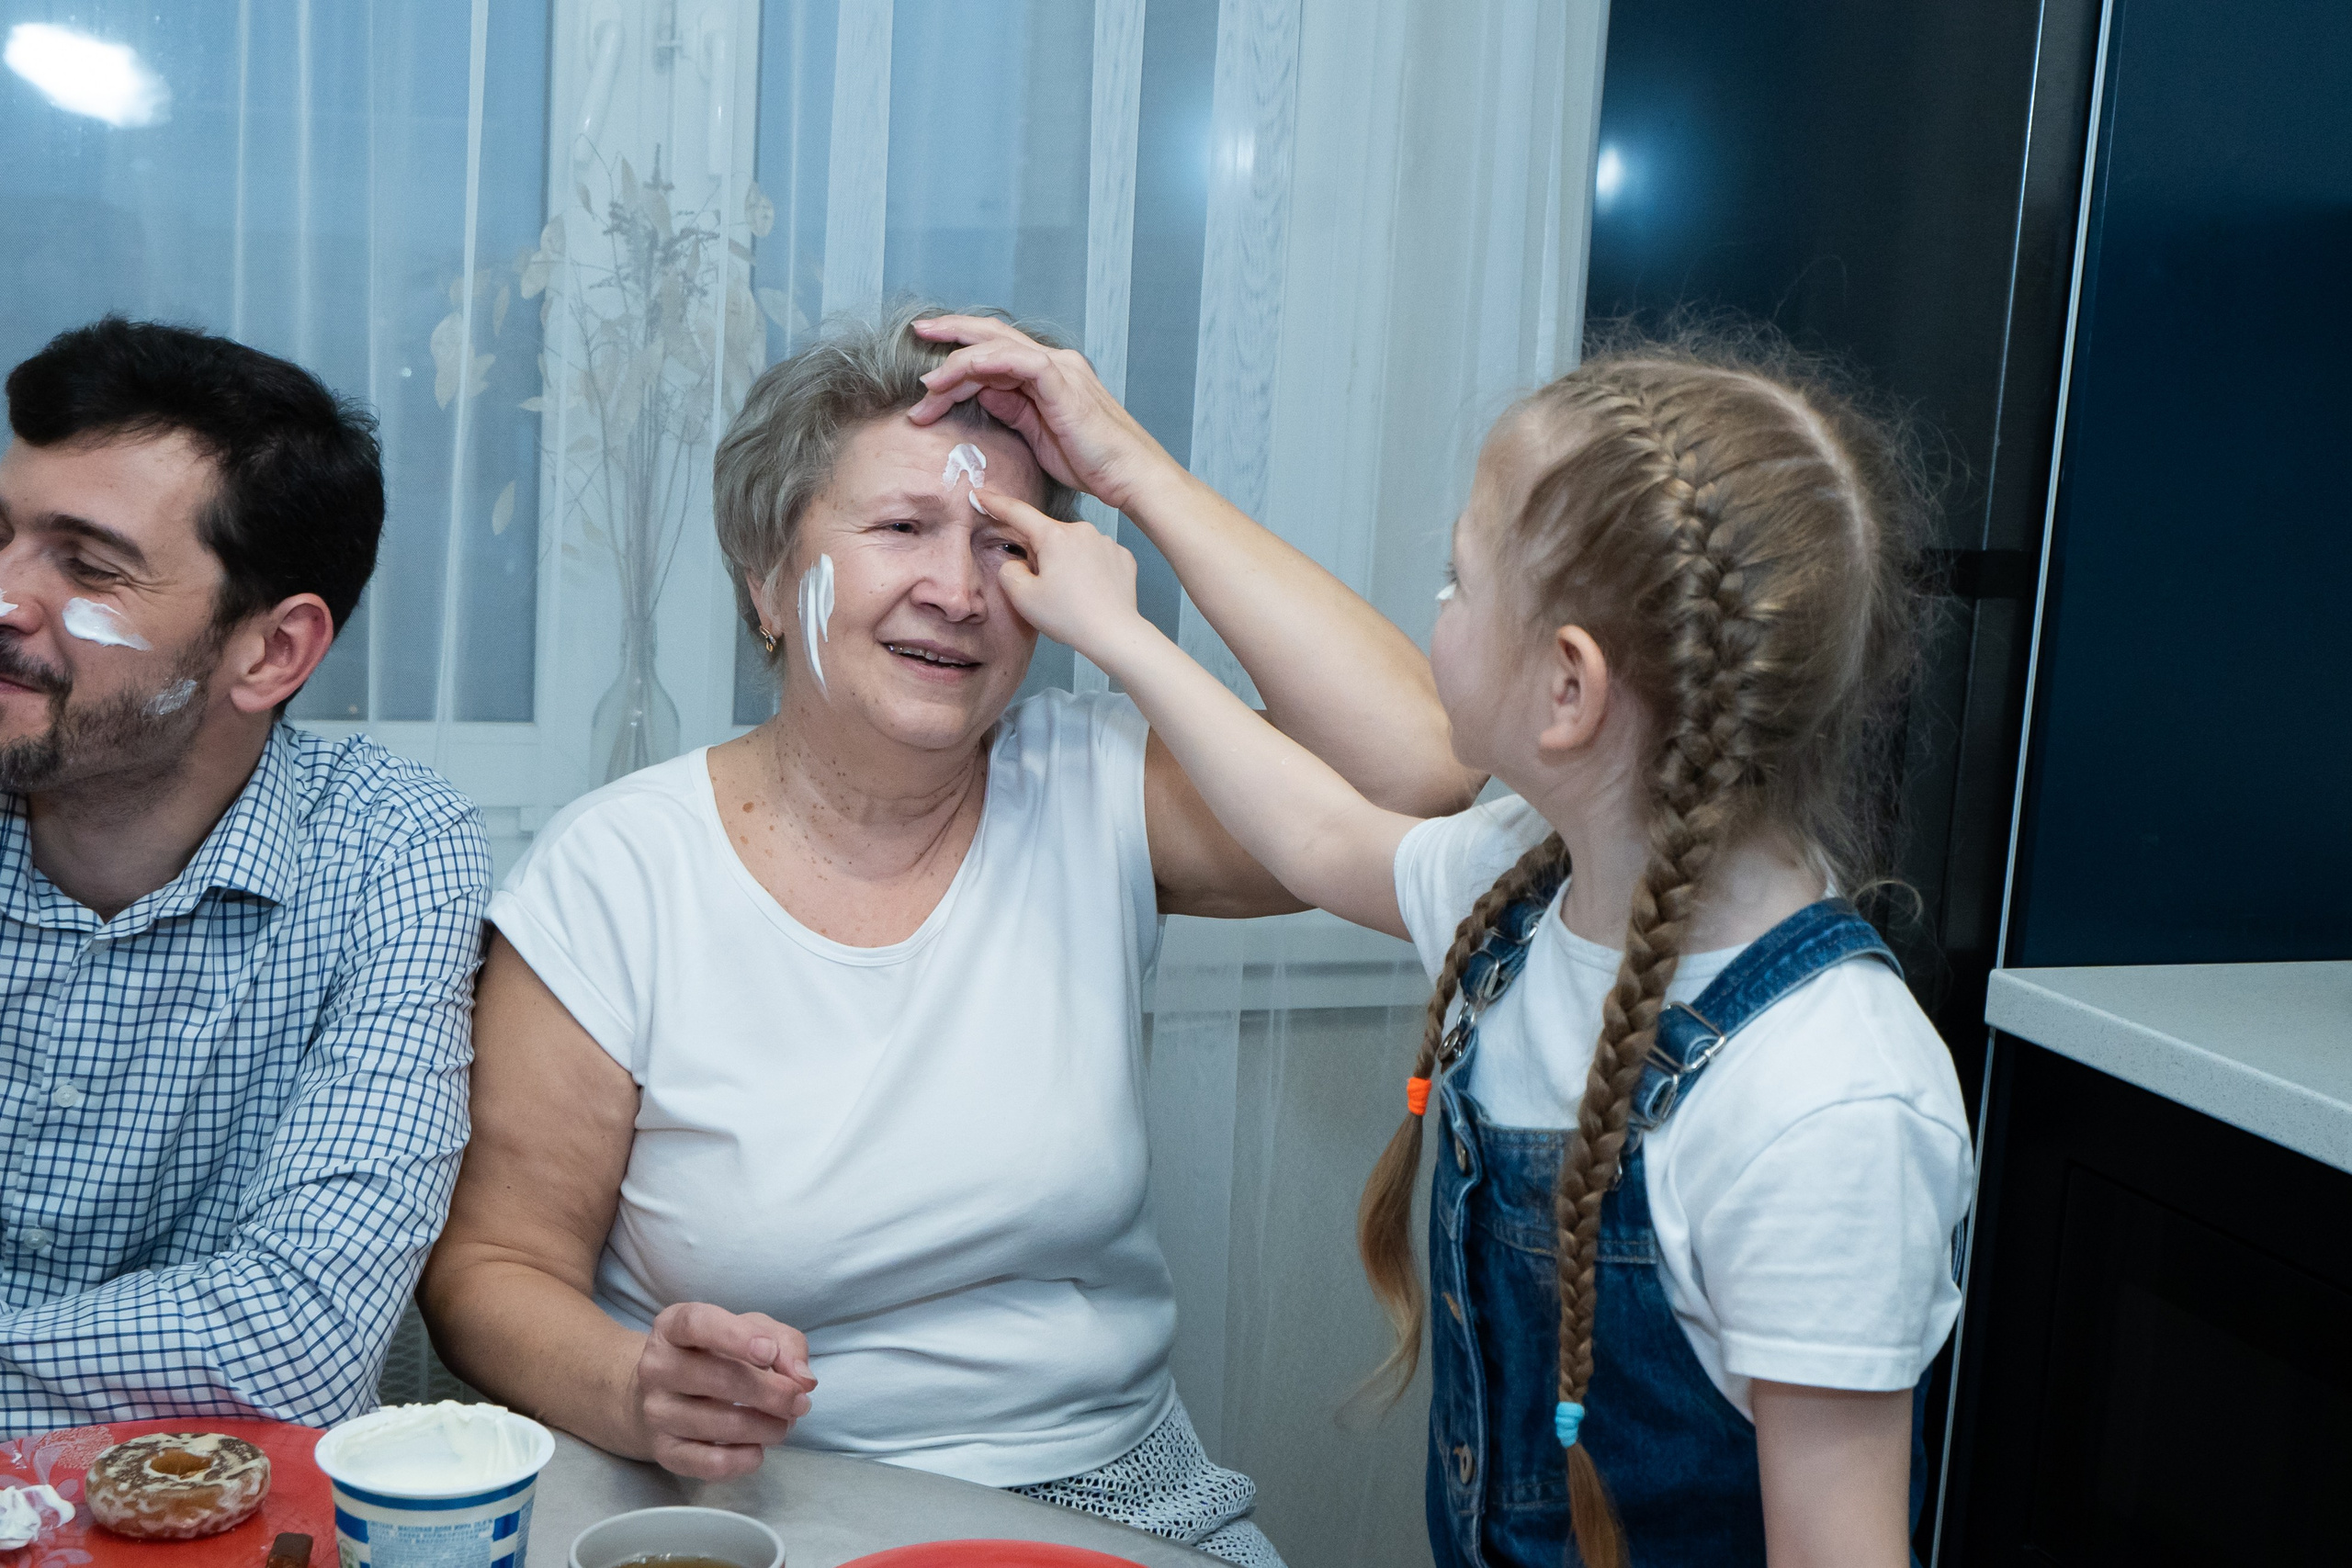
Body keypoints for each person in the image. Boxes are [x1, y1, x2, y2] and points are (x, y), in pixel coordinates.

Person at [418, 305, 1479, 1565]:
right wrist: (635, 1386)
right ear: (767, 579)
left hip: (1104, 1496)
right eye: (901, 528)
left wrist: (1138, 471)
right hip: (749, 1507)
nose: (958, 590)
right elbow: (493, 1268)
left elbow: (1423, 771)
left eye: (1004, 541)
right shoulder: (616, 871)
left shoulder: (1097, 785)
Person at [971, 329, 1974, 1567]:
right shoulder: (1525, 883)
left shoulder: (1832, 1106)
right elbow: (1321, 833)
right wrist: (1123, 592)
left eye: (1456, 581)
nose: (1436, 610)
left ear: (1568, 689)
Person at [0, 319, 492, 1430]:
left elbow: (298, 1340)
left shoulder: (387, 850)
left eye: (87, 565)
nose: (7, 597)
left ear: (271, 652)